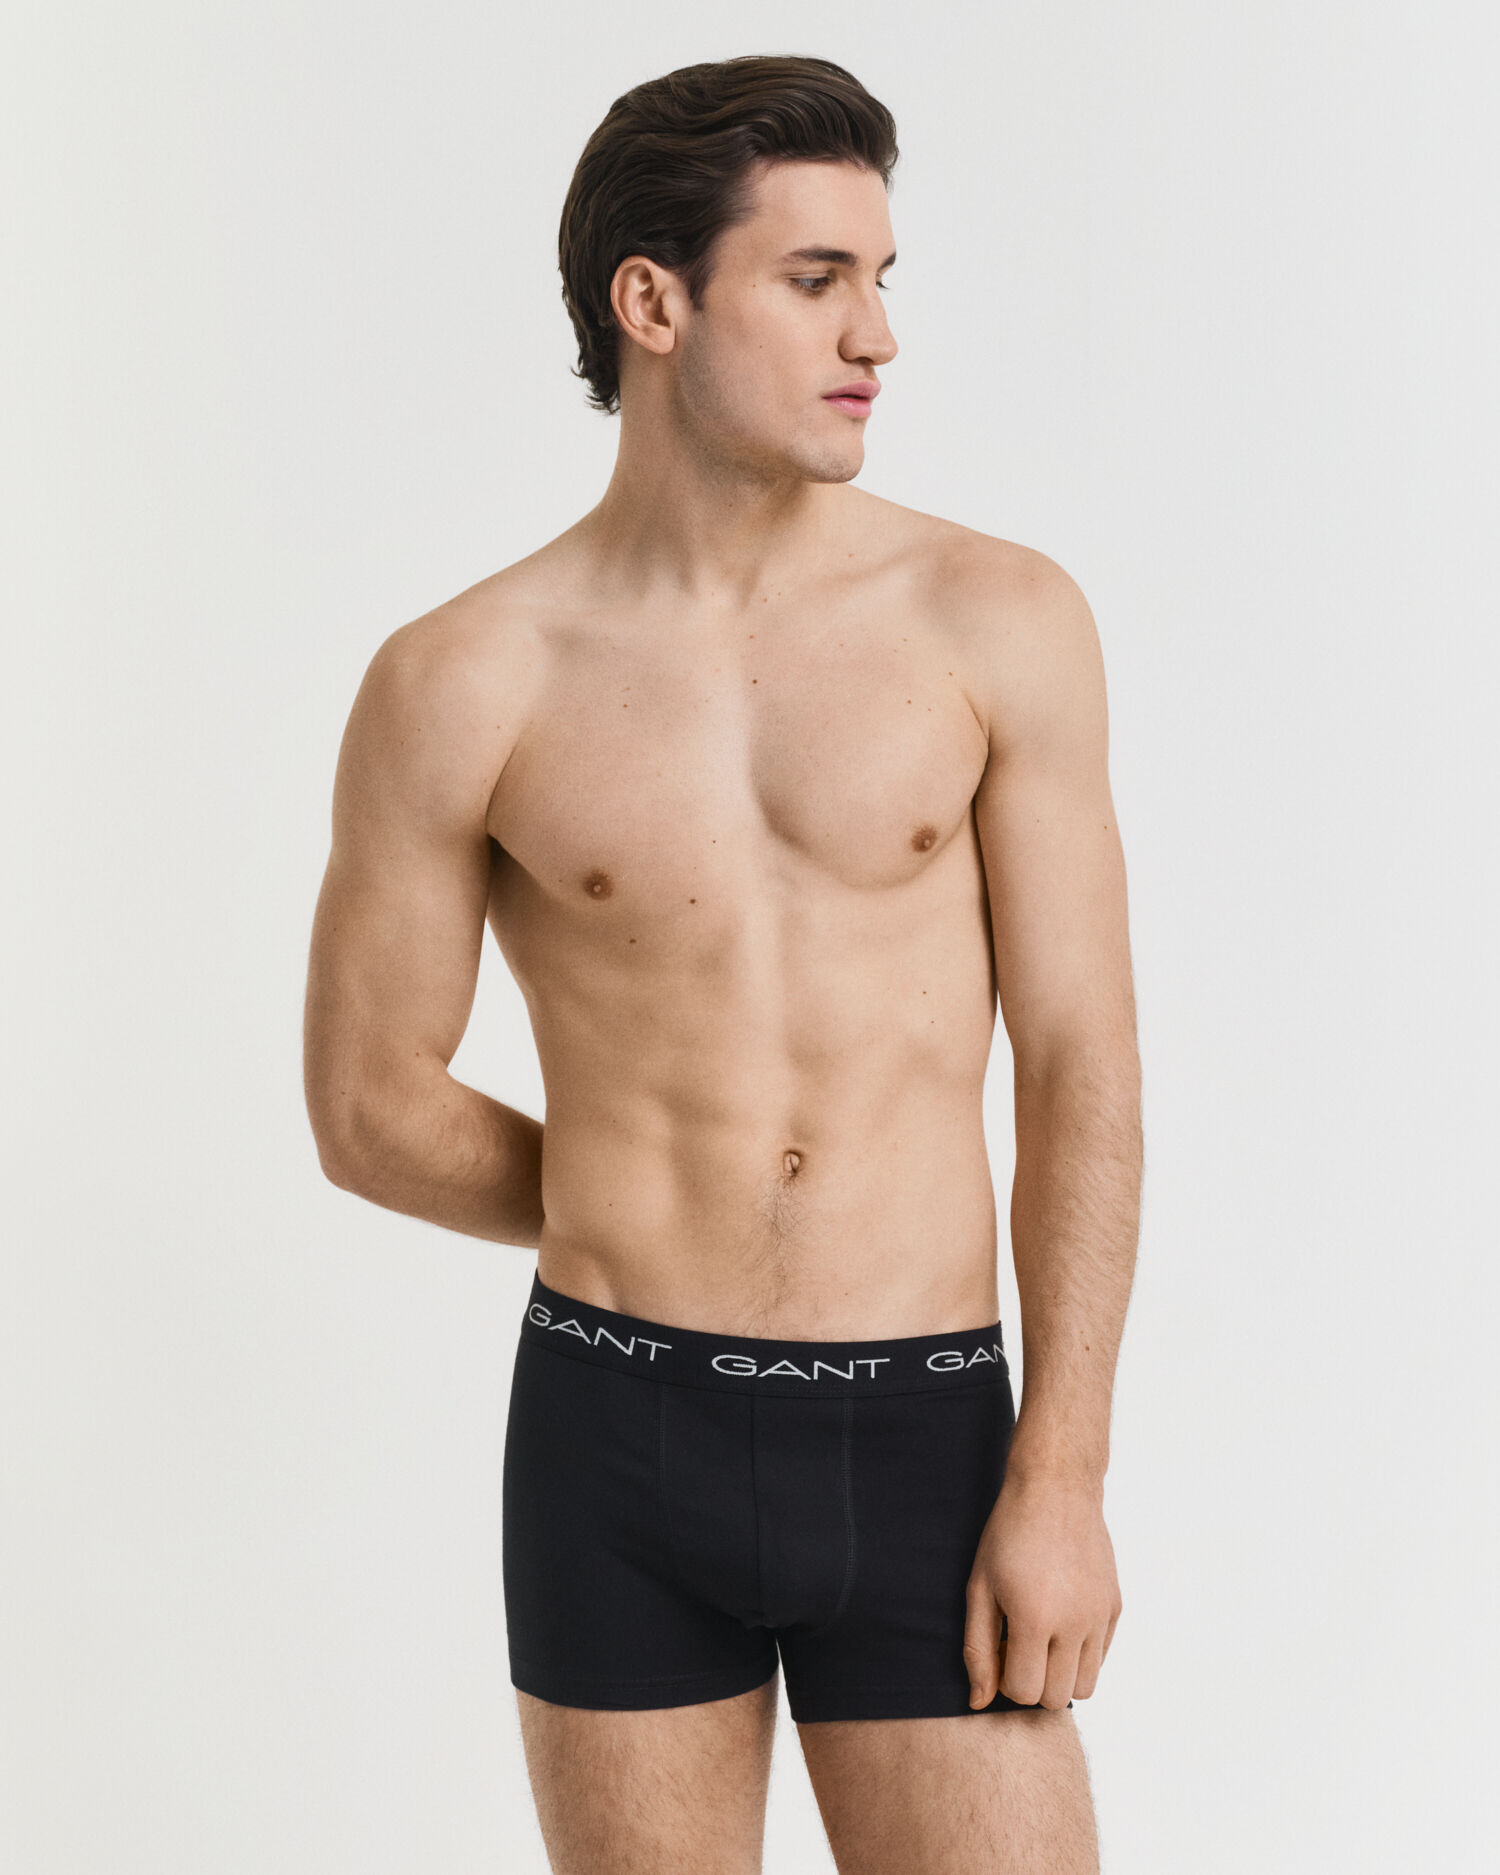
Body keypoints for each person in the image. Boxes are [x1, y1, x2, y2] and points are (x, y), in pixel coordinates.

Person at [303, 52, 1140, 1875]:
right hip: (612, 1437)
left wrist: (1062, 1472)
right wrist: (639, 1190)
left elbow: (1083, 1061)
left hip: (928, 1432)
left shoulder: (996, 619)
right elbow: (368, 1109)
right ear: (655, 302)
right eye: (817, 279)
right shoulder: (463, 679)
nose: (878, 336)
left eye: (882, 279)